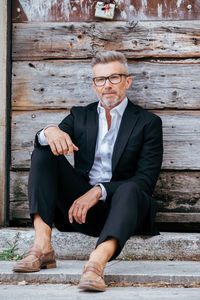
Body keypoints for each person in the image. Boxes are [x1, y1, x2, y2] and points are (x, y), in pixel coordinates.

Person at [13, 51, 163, 292]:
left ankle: (95, 265)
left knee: (131, 187)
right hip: (80, 213)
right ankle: (42, 248)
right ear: (94, 86)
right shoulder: (79, 116)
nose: (107, 86)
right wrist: (49, 131)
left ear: (128, 81)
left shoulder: (148, 123)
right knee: (43, 153)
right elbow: (52, 142)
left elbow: (145, 181)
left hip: (124, 210)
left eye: (114, 78)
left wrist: (99, 191)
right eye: (101, 80)